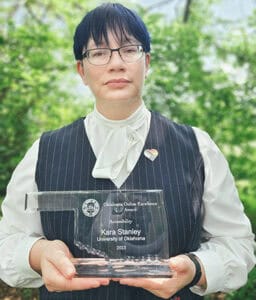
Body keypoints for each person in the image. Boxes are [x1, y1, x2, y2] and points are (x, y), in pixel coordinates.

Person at [0, 2, 255, 300]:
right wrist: (38, 252)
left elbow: (238, 243)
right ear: (81, 71)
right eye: (98, 53)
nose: (115, 63)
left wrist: (196, 267)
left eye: (128, 49)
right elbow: (7, 241)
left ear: (146, 62)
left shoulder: (197, 146)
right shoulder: (44, 150)